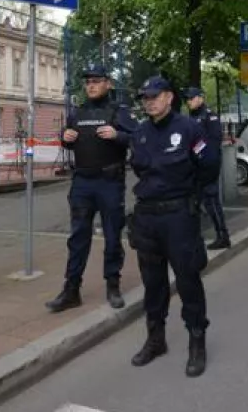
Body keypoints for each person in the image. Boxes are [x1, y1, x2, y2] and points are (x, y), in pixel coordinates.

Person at [127, 76, 219, 378]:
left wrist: (189, 194)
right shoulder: (139, 133)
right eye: (145, 97)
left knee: (188, 279)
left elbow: (209, 166)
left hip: (179, 216)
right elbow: (139, 169)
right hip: (148, 217)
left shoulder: (189, 128)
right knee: (153, 283)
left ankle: (197, 340)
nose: (149, 102)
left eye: (155, 96)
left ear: (169, 97)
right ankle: (156, 339)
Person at [47, 64, 138, 312]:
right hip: (82, 183)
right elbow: (68, 139)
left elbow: (140, 137)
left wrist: (118, 135)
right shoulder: (78, 112)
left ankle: (113, 285)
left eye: (96, 81)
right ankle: (71, 290)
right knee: (78, 238)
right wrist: (64, 138)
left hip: (109, 182)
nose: (91, 85)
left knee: (111, 236)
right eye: (88, 82)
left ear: (108, 83)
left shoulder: (118, 111)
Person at [182, 86, 230, 249]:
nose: (189, 102)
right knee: (193, 203)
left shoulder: (210, 117)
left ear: (200, 98)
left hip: (208, 165)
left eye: (192, 98)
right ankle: (194, 239)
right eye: (187, 99)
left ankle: (223, 235)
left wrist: (194, 148)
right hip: (194, 167)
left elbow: (212, 142)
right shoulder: (190, 118)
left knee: (211, 201)